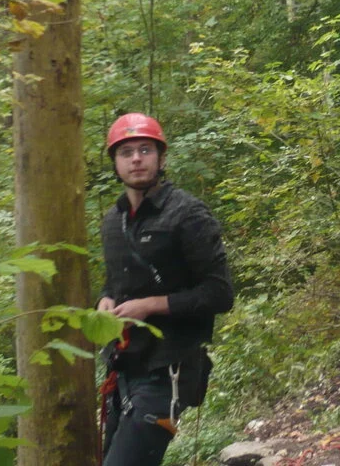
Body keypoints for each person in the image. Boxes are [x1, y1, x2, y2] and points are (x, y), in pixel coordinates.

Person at [97, 113, 234, 466]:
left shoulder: (187, 214)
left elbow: (219, 294)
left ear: (161, 158)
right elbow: (115, 281)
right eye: (126, 152)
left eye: (145, 149)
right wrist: (104, 299)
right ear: (115, 162)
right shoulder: (114, 221)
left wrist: (151, 305)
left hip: (170, 368)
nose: (137, 158)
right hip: (124, 367)